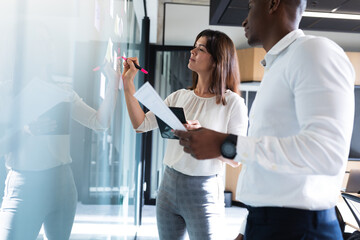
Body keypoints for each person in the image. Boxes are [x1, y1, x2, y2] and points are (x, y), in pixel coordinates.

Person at [175, 0, 355, 239]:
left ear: (273, 4)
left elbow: (326, 153)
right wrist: (246, 229)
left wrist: (226, 144)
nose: (244, 20)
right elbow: (274, 175)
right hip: (267, 222)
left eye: (250, 6)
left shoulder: (314, 52)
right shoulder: (277, 66)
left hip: (299, 228)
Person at [122, 29, 248, 239]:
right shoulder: (179, 96)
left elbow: (237, 158)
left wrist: (202, 136)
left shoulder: (233, 103)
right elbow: (141, 124)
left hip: (204, 191)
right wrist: (127, 85)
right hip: (168, 187)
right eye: (194, 46)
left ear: (217, 60)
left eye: (200, 49)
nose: (192, 52)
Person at [0, 21, 121, 240]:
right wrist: (27, 130)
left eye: (48, 42)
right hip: (24, 184)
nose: (46, 47)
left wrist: (113, 84)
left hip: (62, 183)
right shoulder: (6, 92)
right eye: (39, 42)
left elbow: (99, 123)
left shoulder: (63, 92)